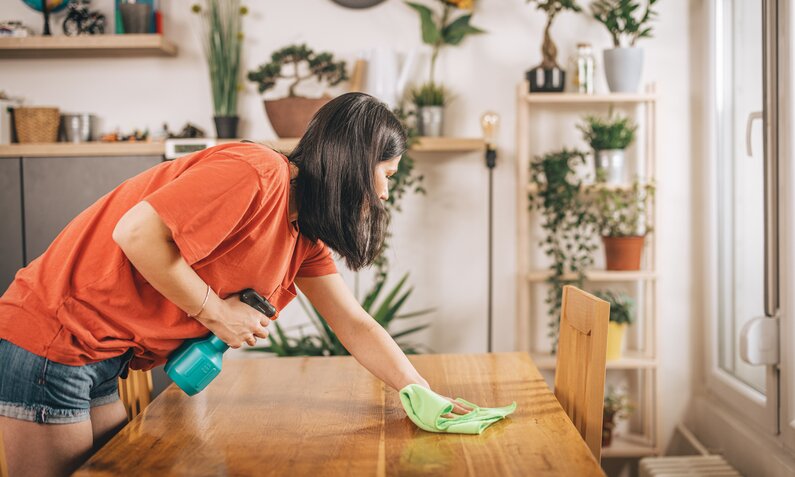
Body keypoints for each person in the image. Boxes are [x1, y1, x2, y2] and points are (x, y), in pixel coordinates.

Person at [0, 93, 471, 477]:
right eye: (386, 175)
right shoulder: (257, 172)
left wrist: (419, 391)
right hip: (56, 335)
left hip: (103, 355)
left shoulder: (303, 236)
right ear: (354, 163)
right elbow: (135, 233)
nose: (385, 194)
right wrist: (216, 312)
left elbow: (353, 323)